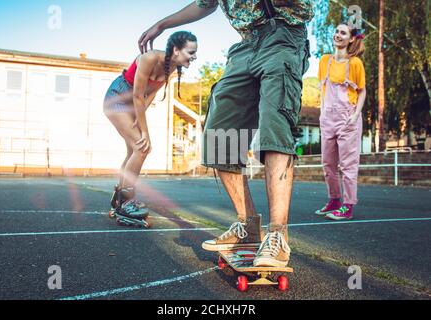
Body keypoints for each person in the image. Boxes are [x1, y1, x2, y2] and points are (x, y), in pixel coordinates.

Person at [139, 1, 313, 267]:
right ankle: (248, 226)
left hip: (284, 35)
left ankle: (278, 235)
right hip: (246, 44)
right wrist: (162, 25)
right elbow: (204, 4)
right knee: (219, 132)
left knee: (275, 124)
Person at [104, 31, 198, 224]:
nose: (194, 56)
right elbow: (138, 95)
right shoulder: (149, 58)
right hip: (117, 97)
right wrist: (145, 131)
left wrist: (140, 118)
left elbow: (151, 94)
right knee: (142, 147)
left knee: (133, 150)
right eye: (191, 52)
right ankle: (125, 203)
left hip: (133, 103)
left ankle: (119, 198)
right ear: (176, 50)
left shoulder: (170, 67)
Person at [314, 23, 366, 221]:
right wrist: (322, 113)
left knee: (348, 165)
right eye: (336, 31)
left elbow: (362, 91)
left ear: (351, 39)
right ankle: (334, 200)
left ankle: (348, 205)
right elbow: (323, 89)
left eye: (343, 32)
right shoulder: (324, 60)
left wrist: (355, 116)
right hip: (327, 118)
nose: (338, 34)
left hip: (347, 118)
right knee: (328, 164)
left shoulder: (355, 64)